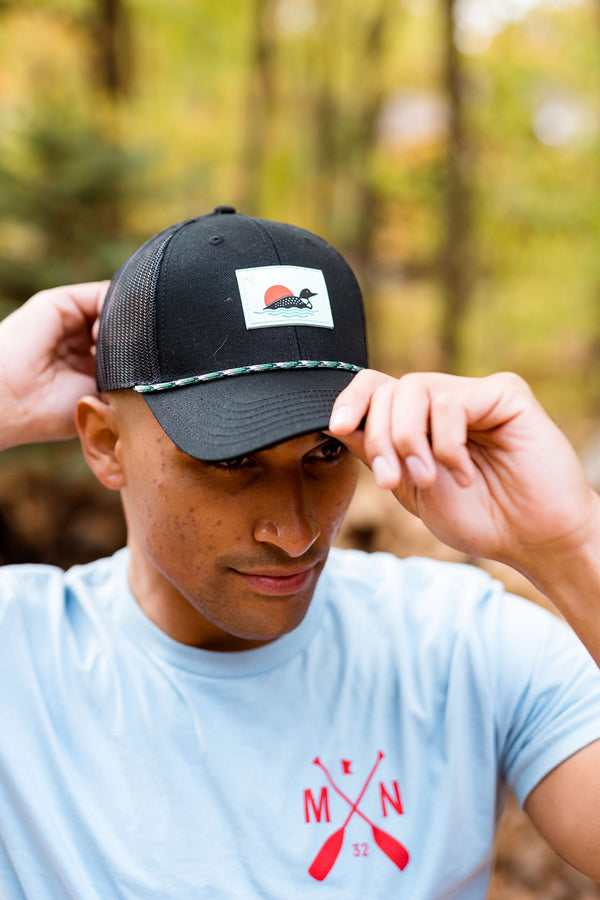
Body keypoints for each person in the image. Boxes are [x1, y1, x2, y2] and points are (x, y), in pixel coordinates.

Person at [0, 207, 599, 899]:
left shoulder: (462, 646)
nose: (296, 532)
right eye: (233, 460)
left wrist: (572, 541)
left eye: (327, 453)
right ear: (106, 444)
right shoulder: (20, 658)